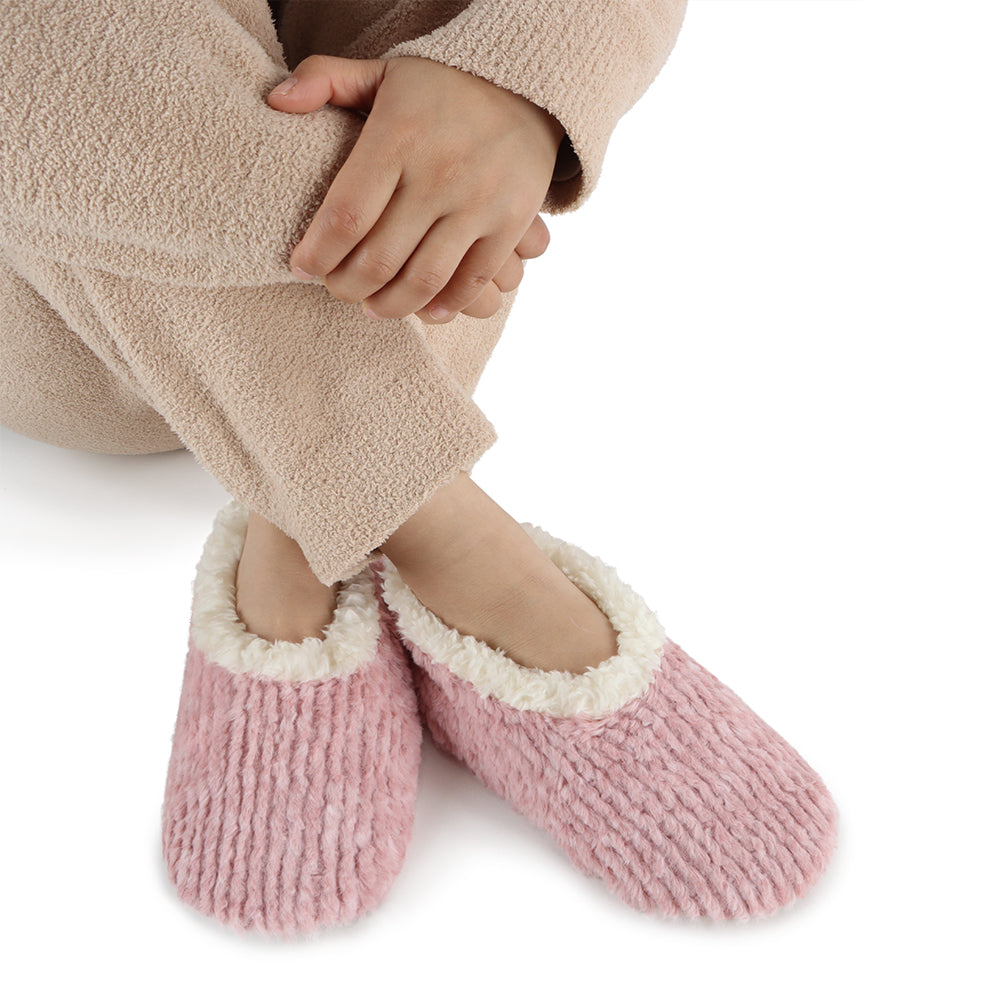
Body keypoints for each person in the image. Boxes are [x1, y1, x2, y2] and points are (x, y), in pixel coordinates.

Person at [0, 0, 837, 936]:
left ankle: (309, 501)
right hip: (64, 319)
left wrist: (513, 81)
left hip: (329, 216)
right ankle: (444, 531)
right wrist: (435, 183)